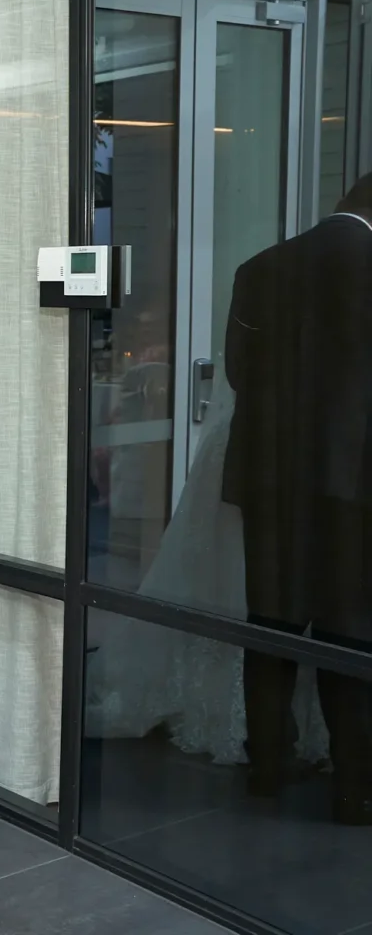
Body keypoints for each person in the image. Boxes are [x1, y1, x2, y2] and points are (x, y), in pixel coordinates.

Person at [221, 172, 372, 826]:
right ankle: (356, 787)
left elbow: (237, 373)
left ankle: (268, 767)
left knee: (272, 623)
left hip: (269, 478)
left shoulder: (261, 267)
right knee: (351, 632)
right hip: (354, 486)